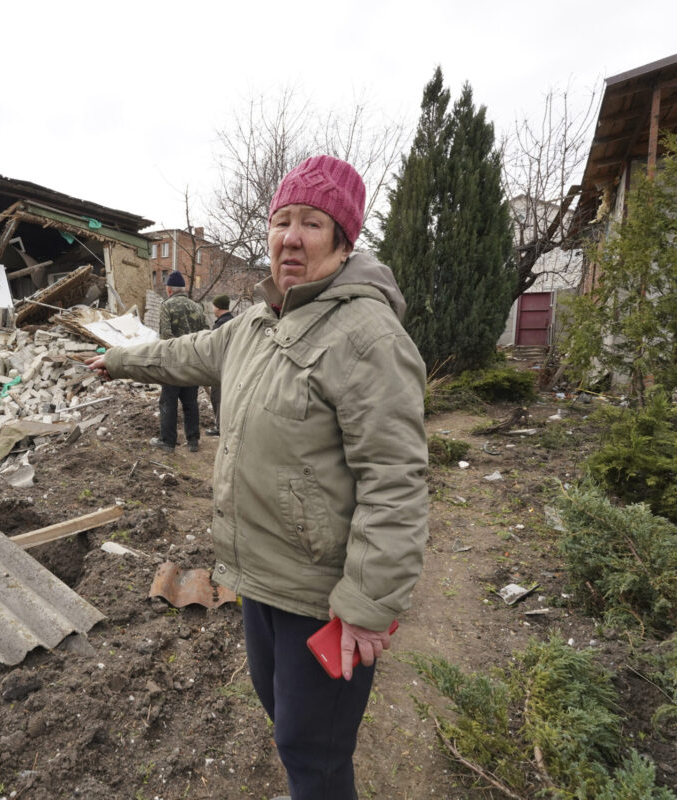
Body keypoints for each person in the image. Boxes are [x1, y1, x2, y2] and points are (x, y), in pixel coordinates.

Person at [89, 155, 427, 799]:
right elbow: (182, 354)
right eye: (281, 221)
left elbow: (396, 482)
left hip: (321, 593)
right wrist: (118, 359)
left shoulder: (367, 335)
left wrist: (363, 606)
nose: (290, 238)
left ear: (343, 239)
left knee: (314, 750)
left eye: (312, 224)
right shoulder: (255, 323)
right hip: (261, 576)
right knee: (287, 723)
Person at [153, 270, 210, 452]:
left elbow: (166, 336)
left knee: (168, 402)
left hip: (173, 362)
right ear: (183, 290)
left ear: (169, 290)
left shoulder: (167, 306)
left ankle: (168, 442)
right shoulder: (197, 307)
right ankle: (193, 441)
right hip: (192, 362)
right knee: (190, 402)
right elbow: (207, 334)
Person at [204, 294, 234, 436]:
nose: (212, 308)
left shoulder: (220, 325)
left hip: (221, 368)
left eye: (213, 305)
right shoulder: (235, 321)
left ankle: (220, 427)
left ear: (218, 306)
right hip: (233, 366)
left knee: (218, 397)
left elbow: (213, 348)